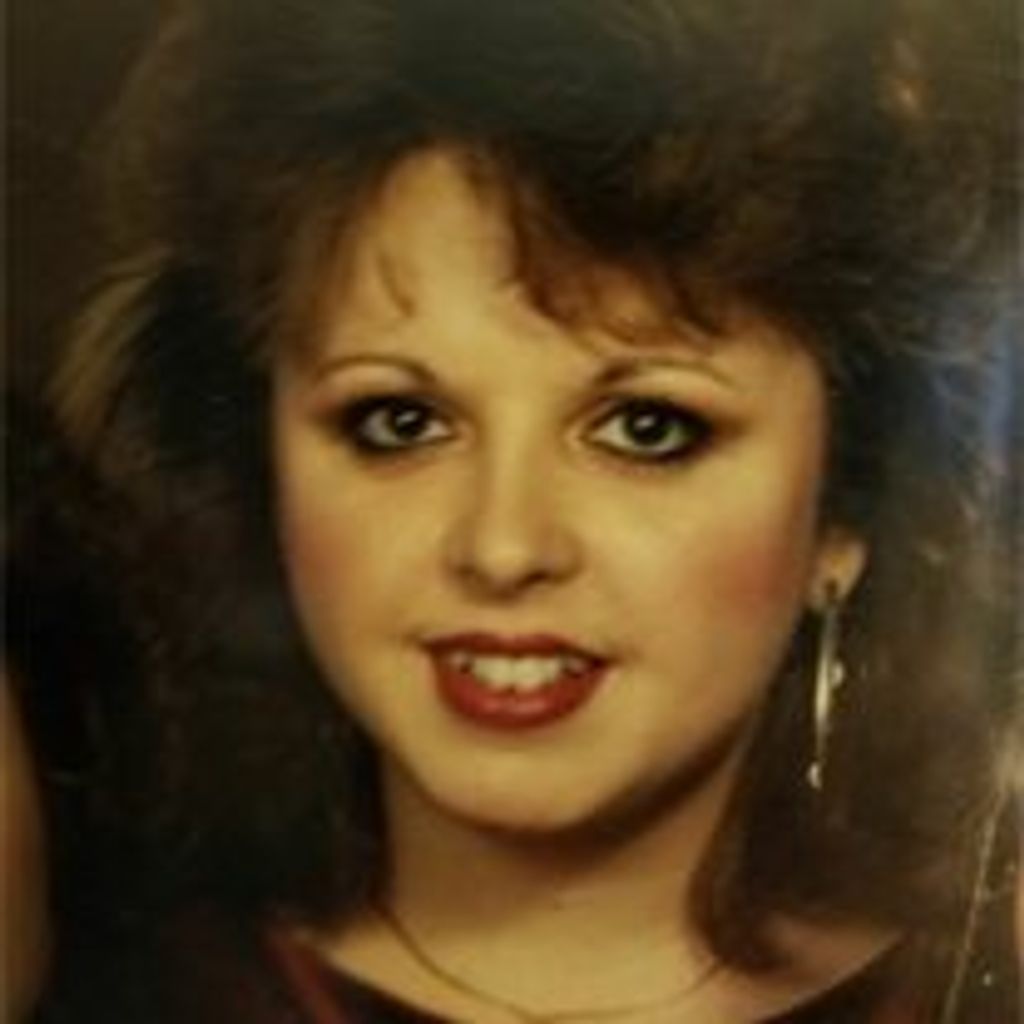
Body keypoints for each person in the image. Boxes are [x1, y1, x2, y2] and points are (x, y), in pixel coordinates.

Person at [35, 1, 1020, 1021]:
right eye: (400, 421)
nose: (503, 546)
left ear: (843, 513)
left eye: (646, 428)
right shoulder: (103, 983)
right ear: (265, 460)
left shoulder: (987, 985)